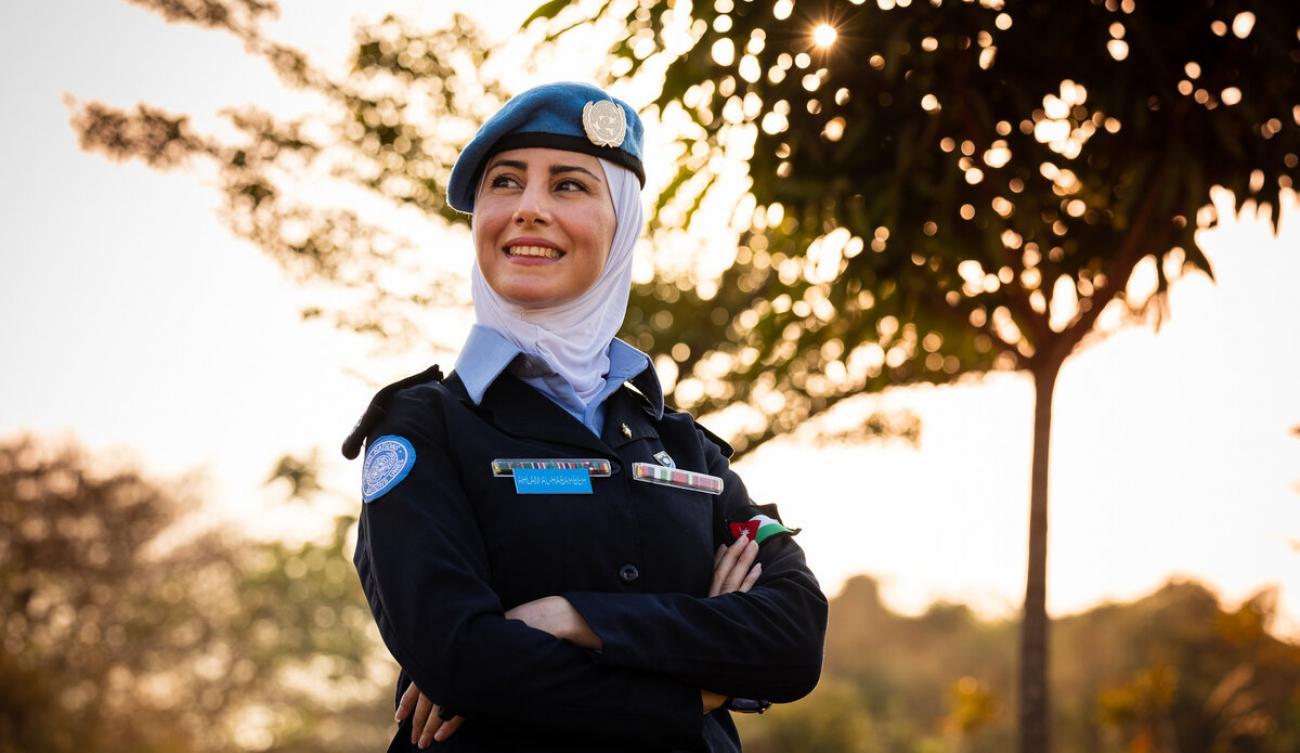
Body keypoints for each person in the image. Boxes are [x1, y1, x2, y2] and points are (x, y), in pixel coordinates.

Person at [343, 82, 827, 752]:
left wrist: (576, 617)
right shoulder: (422, 428)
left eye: (568, 185)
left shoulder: (686, 446)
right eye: (505, 183)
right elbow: (459, 655)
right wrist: (700, 689)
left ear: (620, 223)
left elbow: (794, 636)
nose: (528, 209)